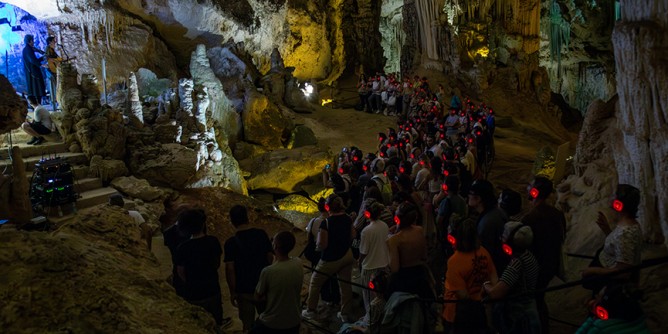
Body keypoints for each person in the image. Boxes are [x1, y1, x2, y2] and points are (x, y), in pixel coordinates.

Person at [521, 176, 566, 332]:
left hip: (536, 266)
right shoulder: (557, 214)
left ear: (535, 191)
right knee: (540, 299)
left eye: (530, 187)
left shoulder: (530, 218)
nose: (527, 188)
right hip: (551, 264)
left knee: (534, 301)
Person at [175, 209, 231, 329]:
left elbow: (180, 272)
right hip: (212, 288)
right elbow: (216, 263)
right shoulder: (213, 241)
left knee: (198, 325)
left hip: (193, 292)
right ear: (203, 224)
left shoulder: (182, 248)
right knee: (216, 320)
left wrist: (191, 281)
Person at [303, 194, 355, 322]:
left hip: (331, 258)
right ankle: (345, 313)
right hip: (347, 255)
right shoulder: (348, 218)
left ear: (328, 207)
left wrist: (318, 249)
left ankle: (311, 310)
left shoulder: (326, 223)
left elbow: (322, 244)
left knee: (315, 282)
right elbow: (353, 235)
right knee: (345, 284)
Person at [581, 184, 643, 292]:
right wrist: (607, 230)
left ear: (618, 205)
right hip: (606, 263)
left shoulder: (626, 233)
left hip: (607, 277)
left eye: (614, 197)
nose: (611, 199)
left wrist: (593, 271)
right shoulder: (628, 224)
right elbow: (619, 247)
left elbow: (623, 273)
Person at [483, 221, 541, 334]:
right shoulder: (530, 256)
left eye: (504, 237)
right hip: (530, 311)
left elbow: (496, 293)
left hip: (518, 317)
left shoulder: (516, 265)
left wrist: (485, 284)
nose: (501, 239)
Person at [224, 205, 273, 333]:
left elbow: (230, 269)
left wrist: (232, 291)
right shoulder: (261, 234)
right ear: (247, 217)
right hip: (262, 287)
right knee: (268, 321)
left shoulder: (230, 243)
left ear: (232, 221)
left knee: (247, 325)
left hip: (243, 290)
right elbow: (269, 257)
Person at [443, 218, 497, 334]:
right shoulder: (483, 252)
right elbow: (494, 280)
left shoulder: (454, 261)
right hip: (480, 309)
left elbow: (463, 295)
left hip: (458, 314)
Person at [251, 231, 303, 334]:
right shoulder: (298, 262)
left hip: (273, 323)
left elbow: (257, 297)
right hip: (294, 320)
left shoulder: (269, 271)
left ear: (275, 245)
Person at [387, 202, 435, 299]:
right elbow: (424, 255)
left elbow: (395, 268)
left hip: (403, 280)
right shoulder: (419, 230)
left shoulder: (394, 240)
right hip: (421, 276)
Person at [304, 198, 341, 306]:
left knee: (319, 276)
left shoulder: (314, 221)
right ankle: (335, 297)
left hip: (317, 252)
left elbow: (309, 237)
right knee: (333, 276)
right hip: (330, 252)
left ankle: (325, 297)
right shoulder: (333, 220)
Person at [358, 201, 390, 322]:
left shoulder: (366, 231)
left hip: (370, 267)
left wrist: (359, 262)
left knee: (369, 296)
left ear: (367, 214)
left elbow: (364, 252)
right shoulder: (384, 225)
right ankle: (381, 317)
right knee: (382, 296)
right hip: (383, 264)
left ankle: (369, 318)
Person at [468, 180, 508, 273]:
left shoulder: (486, 223)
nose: (468, 196)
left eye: (470, 193)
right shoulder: (498, 212)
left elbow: (484, 255)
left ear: (478, 199)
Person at [22, 34, 46, 103]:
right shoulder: (28, 49)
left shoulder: (29, 49)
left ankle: (37, 104)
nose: (34, 42)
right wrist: (42, 64)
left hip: (32, 71)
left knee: (36, 89)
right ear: (30, 41)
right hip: (33, 72)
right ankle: (37, 104)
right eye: (33, 40)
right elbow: (32, 60)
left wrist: (42, 57)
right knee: (36, 89)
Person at [45, 36, 62, 104]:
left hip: (54, 69)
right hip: (52, 70)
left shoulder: (51, 50)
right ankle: (55, 100)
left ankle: (56, 100)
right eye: (53, 41)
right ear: (50, 42)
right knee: (54, 86)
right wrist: (57, 61)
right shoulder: (48, 49)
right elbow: (49, 58)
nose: (55, 42)